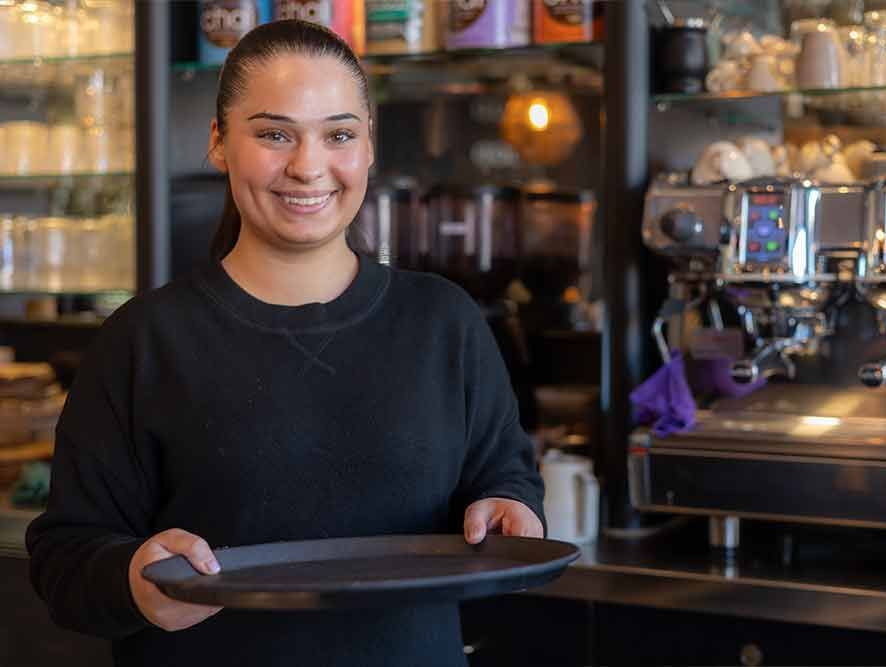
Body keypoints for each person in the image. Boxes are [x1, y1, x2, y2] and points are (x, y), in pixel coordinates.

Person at [26, 19, 544, 667]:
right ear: (218, 143)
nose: (308, 166)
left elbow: (505, 478)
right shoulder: (143, 340)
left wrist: (510, 510)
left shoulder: (444, 322)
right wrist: (134, 579)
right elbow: (64, 556)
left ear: (368, 149)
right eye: (274, 134)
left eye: (339, 135)